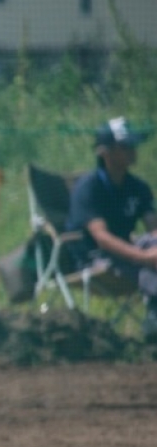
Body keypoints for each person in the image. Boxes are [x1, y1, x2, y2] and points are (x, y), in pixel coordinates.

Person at [65, 116, 157, 337]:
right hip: (95, 257)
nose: (133, 150)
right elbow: (102, 238)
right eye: (125, 146)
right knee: (147, 267)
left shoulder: (138, 187)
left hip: (128, 249)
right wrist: (144, 257)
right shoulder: (89, 188)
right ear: (104, 152)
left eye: (133, 145)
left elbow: (153, 228)